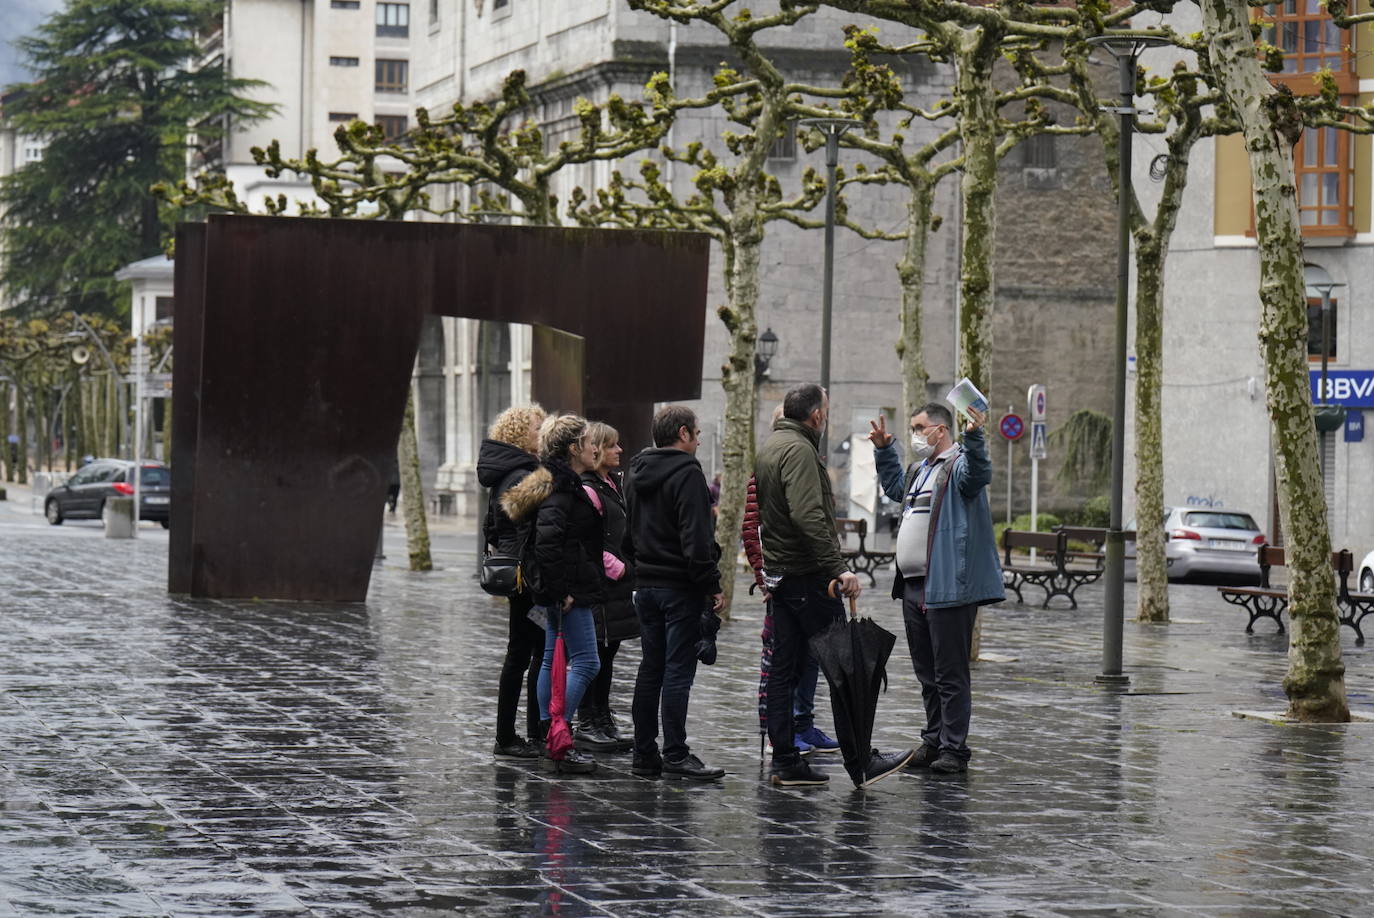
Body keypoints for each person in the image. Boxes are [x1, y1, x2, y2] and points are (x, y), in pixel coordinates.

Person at [755, 383, 912, 788]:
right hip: (809, 577)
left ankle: (786, 762)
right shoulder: (801, 451)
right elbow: (808, 516)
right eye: (826, 410)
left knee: (782, 671)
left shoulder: (772, 446)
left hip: (784, 576)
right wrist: (837, 568)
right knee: (847, 667)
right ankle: (860, 761)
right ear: (817, 416)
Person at [870, 402, 1004, 775]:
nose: (915, 434)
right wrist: (884, 449)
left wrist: (975, 438)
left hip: (946, 585)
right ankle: (933, 740)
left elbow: (979, 474)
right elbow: (897, 487)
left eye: (919, 427)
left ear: (940, 430)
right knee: (927, 672)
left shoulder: (958, 465)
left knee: (949, 672)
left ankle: (954, 749)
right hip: (913, 586)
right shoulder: (920, 469)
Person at [627, 405, 726, 781]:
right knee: (677, 671)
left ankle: (644, 751)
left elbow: (628, 533)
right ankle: (676, 752)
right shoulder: (687, 474)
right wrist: (711, 585)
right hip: (678, 587)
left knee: (650, 668)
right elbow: (697, 540)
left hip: (646, 585)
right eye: (698, 433)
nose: (699, 440)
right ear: (683, 433)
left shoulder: (635, 473)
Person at [501, 414, 604, 775]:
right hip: (563, 593)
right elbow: (548, 544)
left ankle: (550, 735)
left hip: (552, 591)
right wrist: (562, 592)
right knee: (588, 662)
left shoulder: (555, 483)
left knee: (549, 658)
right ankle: (558, 734)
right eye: (591, 441)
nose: (597, 447)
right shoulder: (561, 487)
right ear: (574, 448)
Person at [742, 404, 841, 757]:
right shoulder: (793, 453)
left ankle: (797, 731)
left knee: (798, 659)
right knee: (784, 662)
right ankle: (785, 738)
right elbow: (758, 523)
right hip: (795, 576)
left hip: (786, 574)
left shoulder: (781, 451)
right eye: (824, 409)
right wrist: (764, 575)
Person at [476, 404, 547, 760]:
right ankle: (510, 736)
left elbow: (493, 526)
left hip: (519, 573)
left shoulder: (507, 471)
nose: (543, 432)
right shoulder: (524, 473)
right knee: (525, 653)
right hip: (528, 576)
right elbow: (525, 528)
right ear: (520, 433)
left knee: (526, 652)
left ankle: (523, 732)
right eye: (537, 427)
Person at [574, 421, 639, 753]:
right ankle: (587, 719)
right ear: (597, 449)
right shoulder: (588, 489)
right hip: (603, 582)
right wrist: (620, 568)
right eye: (613, 446)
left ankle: (602, 716)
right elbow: (588, 541)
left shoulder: (612, 484)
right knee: (595, 652)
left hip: (616, 585)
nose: (619, 451)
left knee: (609, 650)